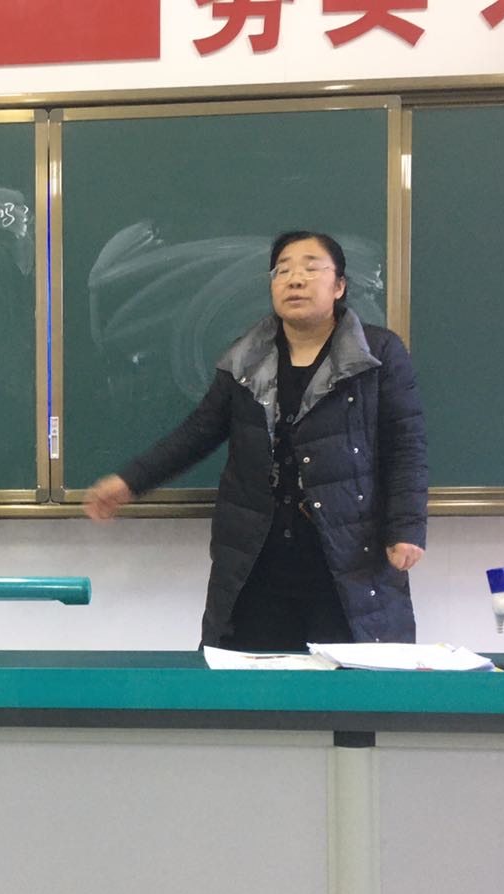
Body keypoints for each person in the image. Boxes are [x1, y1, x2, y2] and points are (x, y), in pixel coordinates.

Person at [83, 230, 428, 651]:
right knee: (249, 679)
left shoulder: (379, 353)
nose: (294, 279)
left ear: (339, 285)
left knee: (351, 680)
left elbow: (406, 445)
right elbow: (198, 432)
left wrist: (406, 527)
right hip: (257, 558)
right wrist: (130, 482)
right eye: (282, 270)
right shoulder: (245, 357)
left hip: (348, 553)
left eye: (310, 268)